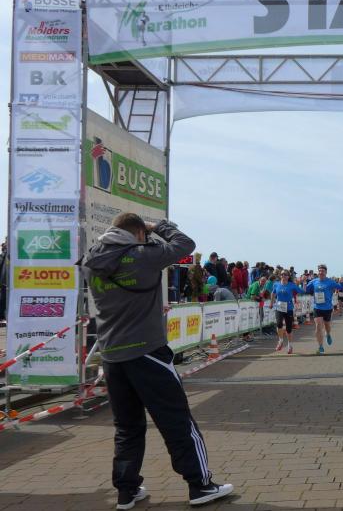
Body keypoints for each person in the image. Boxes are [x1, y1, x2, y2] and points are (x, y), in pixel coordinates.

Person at [82, 213, 233, 509]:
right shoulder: (142, 256)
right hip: (148, 352)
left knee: (127, 427)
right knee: (176, 421)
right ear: (138, 233)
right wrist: (157, 227)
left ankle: (126, 491)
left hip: (112, 355)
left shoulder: (91, 261)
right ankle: (200, 485)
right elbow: (186, 244)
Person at [305, 264, 343, 354]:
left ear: (326, 272)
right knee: (318, 326)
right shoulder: (313, 282)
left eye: (323, 271)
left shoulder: (330, 282)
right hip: (317, 307)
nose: (321, 272)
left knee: (327, 325)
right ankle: (320, 346)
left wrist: (342, 282)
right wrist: (304, 282)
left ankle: (328, 334)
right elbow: (307, 290)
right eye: (319, 271)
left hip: (327, 308)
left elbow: (341, 287)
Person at [270, 270, 305, 354]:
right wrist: (271, 302)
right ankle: (281, 340)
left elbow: (302, 291)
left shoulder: (292, 285)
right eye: (282, 274)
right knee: (279, 324)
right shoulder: (276, 284)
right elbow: (273, 293)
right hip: (279, 307)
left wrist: (304, 283)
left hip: (288, 308)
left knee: (289, 328)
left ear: (288, 276)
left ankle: (289, 345)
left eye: (285, 274)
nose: (283, 276)